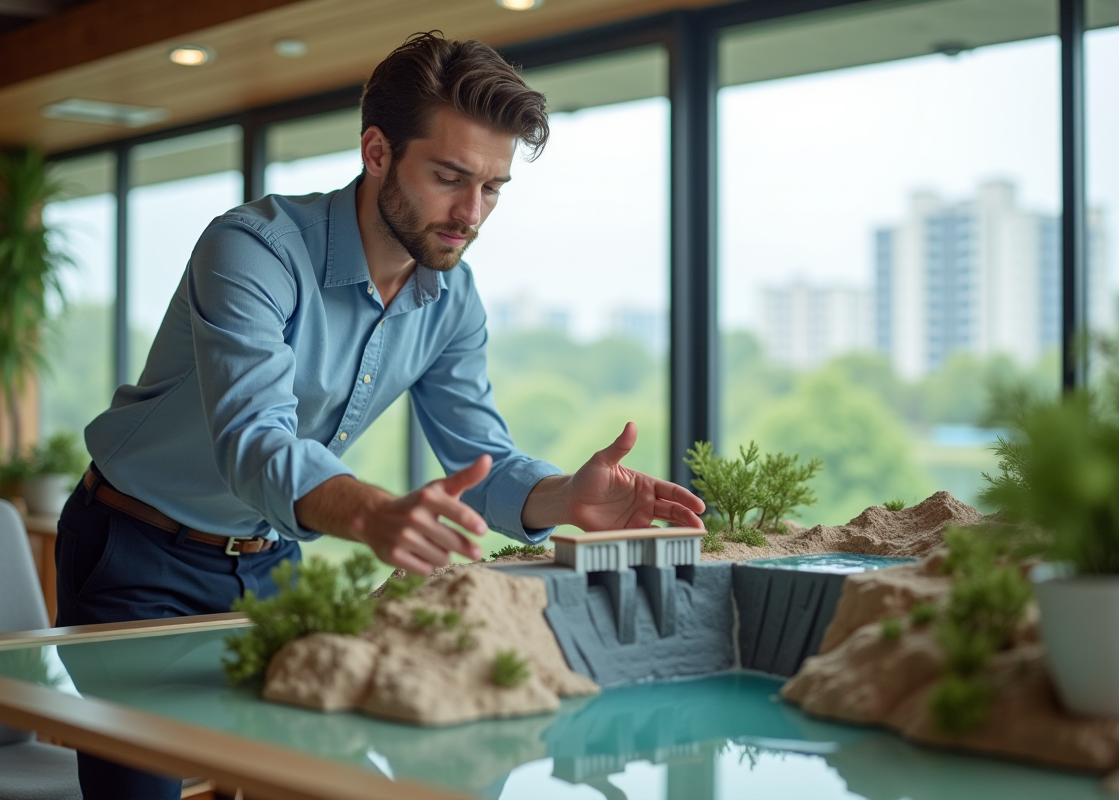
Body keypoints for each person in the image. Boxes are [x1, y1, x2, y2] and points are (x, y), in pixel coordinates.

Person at [54, 31, 705, 799]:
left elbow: (480, 453)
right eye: (450, 177)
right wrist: (373, 514)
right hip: (137, 551)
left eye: (493, 188)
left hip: (270, 562)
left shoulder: (452, 300)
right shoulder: (251, 250)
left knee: (309, 780)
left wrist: (564, 498)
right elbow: (256, 443)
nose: (471, 213)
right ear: (377, 152)